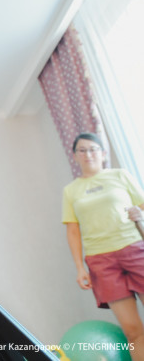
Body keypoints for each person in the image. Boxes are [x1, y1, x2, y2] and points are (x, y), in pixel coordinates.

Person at [62, 132, 144, 359]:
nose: (87, 154)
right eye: (82, 150)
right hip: (101, 261)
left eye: (92, 149)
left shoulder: (120, 175)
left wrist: (139, 214)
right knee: (132, 331)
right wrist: (80, 268)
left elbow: (142, 205)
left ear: (103, 153)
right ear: (75, 156)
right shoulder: (71, 191)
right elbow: (73, 230)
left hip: (134, 249)